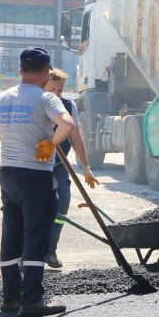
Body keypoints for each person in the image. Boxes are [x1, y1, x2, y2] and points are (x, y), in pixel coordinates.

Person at [0, 47, 75, 317]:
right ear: (46, 72)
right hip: (35, 174)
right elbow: (67, 124)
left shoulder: (1, 98)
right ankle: (32, 300)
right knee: (36, 236)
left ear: (21, 70)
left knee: (11, 234)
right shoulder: (46, 98)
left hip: (8, 173)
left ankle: (10, 298)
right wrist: (49, 144)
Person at [44, 68, 99, 269]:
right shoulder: (36, 103)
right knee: (35, 208)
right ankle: (27, 254)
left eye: (59, 90)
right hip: (36, 165)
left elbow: (75, 137)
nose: (56, 94)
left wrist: (86, 168)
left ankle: (50, 250)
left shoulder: (68, 105)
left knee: (62, 204)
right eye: (52, 89)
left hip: (59, 164)